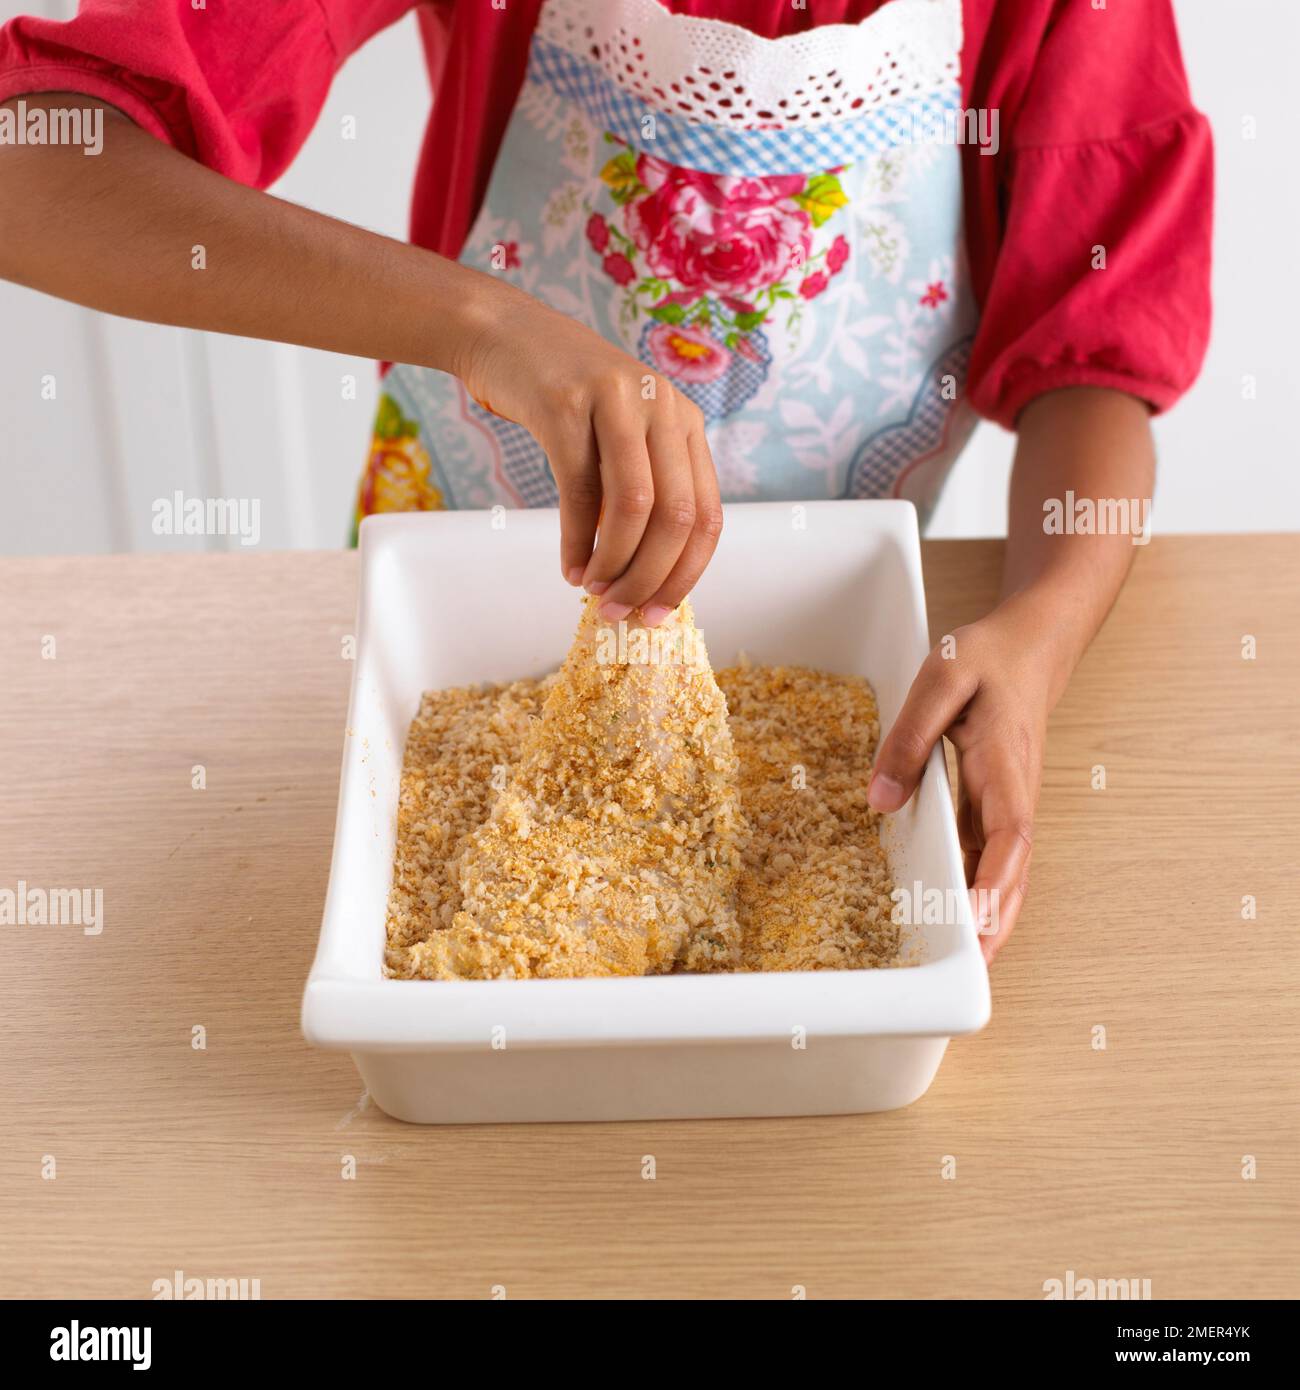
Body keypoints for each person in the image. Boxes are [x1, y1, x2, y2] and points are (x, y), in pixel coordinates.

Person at [0, 0, 1213, 958]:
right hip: (470, 572)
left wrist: (1042, 632)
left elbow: (1093, 361)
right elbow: (34, 156)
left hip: (832, 632)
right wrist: (483, 324)